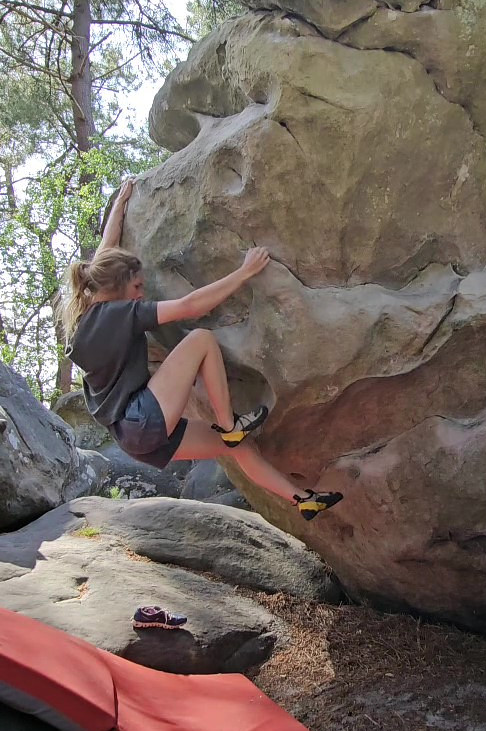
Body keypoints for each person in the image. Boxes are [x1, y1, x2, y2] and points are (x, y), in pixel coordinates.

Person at [60, 179, 342, 521]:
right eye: (137, 286)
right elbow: (190, 306)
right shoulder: (121, 314)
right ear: (117, 287)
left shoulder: (88, 316)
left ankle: (304, 500)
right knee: (202, 340)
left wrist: (120, 203)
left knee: (238, 448)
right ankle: (229, 423)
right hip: (142, 420)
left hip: (132, 437)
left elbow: (106, 252)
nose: (141, 293)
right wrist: (244, 273)